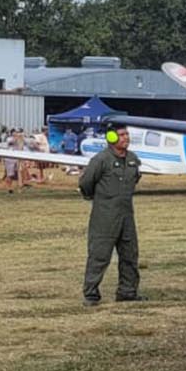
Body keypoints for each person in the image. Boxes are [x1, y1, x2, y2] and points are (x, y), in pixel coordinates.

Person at [78, 125, 144, 306]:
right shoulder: (101, 160)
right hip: (105, 215)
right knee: (99, 254)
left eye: (127, 134)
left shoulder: (132, 159)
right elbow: (86, 183)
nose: (126, 138)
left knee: (130, 254)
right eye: (122, 135)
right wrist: (99, 199)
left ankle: (128, 291)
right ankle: (91, 294)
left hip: (126, 214)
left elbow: (135, 179)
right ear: (112, 137)